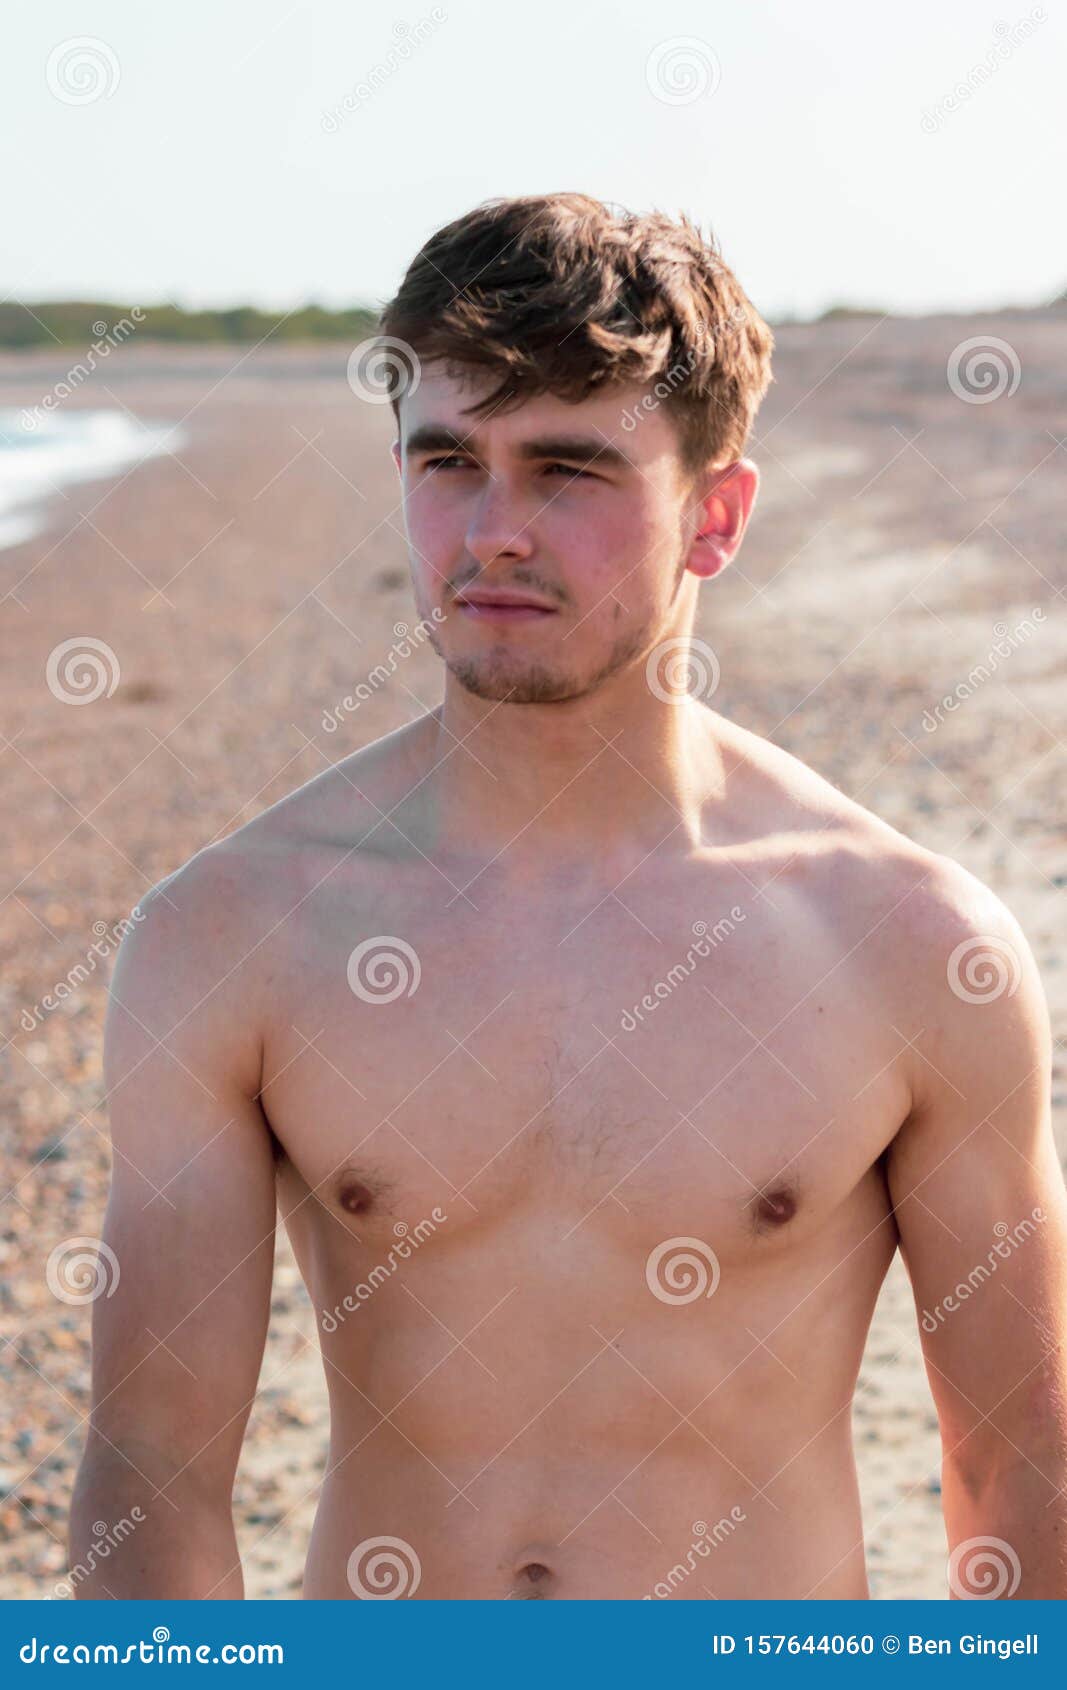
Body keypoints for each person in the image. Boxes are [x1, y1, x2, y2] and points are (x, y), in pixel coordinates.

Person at [70, 194, 1067, 1600]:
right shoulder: (238, 932)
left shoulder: (909, 943)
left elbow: (1022, 1467)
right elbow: (154, 1467)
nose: (492, 533)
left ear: (715, 517)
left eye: (567, 470)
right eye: (446, 461)